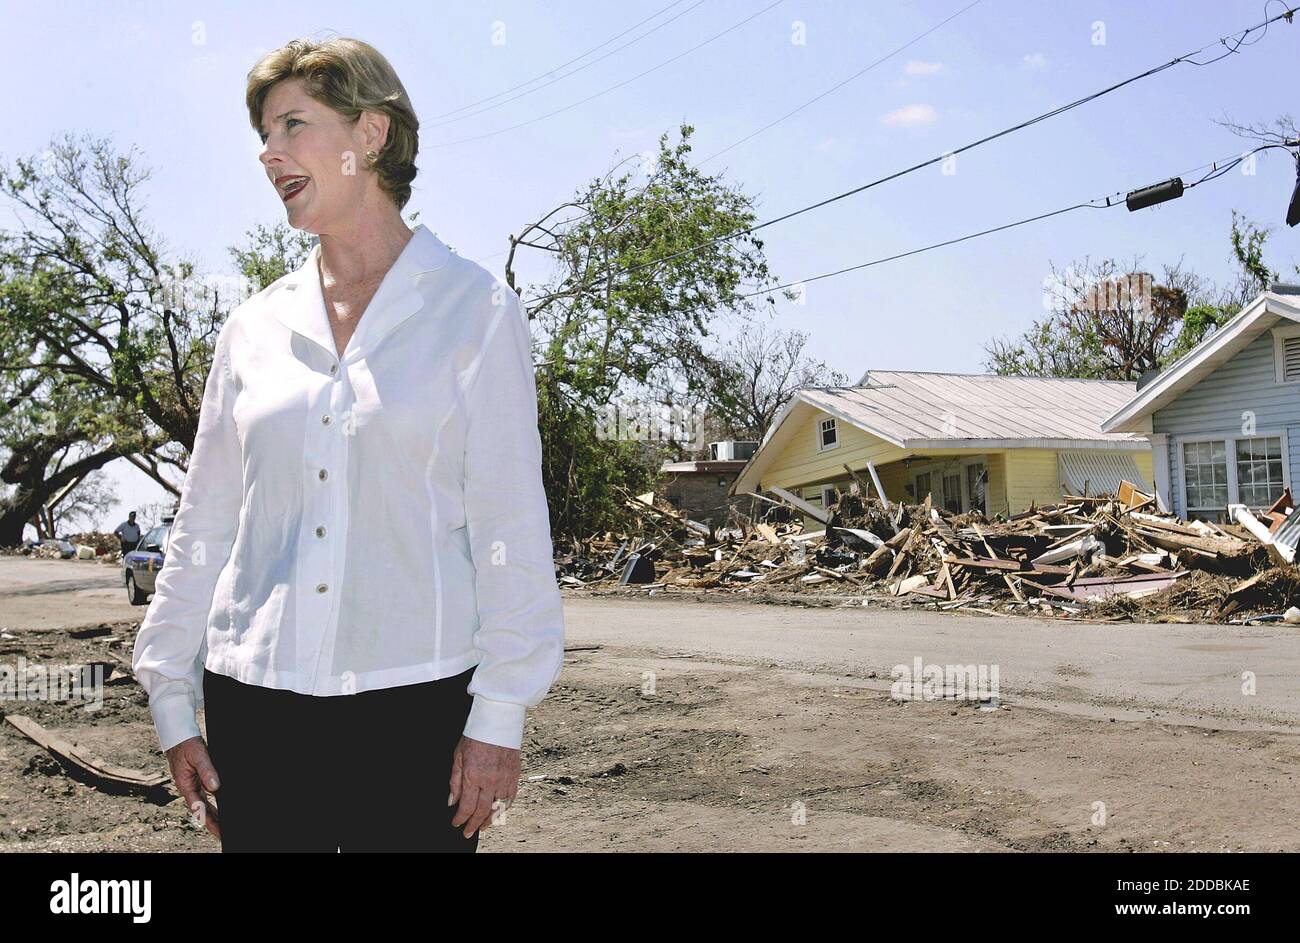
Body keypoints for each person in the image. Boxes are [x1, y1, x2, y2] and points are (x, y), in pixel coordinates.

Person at [131, 35, 566, 852]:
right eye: (264, 134)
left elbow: (509, 524)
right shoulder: (252, 327)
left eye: (293, 125)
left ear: (370, 134)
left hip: (418, 711)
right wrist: (169, 695)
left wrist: (499, 712)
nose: (269, 153)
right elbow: (204, 522)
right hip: (253, 707)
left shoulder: (476, 312)